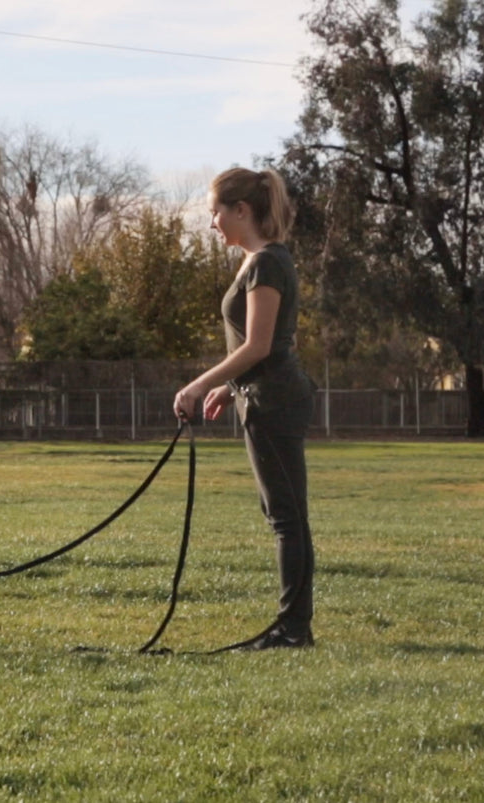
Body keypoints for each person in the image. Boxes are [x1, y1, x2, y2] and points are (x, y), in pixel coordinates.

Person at [173, 167, 317, 650]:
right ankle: (293, 628)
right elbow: (257, 348)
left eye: (215, 211)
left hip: (274, 402)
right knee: (284, 514)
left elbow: (258, 345)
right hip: (261, 398)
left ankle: (293, 631)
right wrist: (226, 387)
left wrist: (197, 385)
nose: (212, 222)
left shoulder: (266, 264)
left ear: (242, 211)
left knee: (286, 518)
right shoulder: (258, 261)